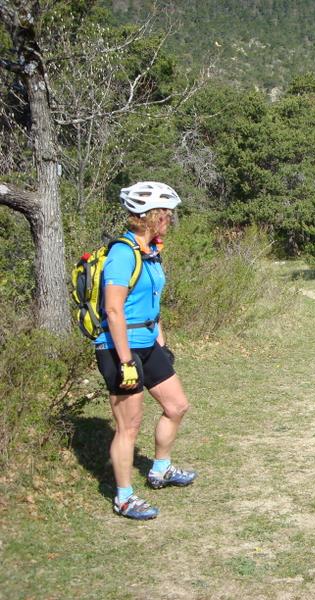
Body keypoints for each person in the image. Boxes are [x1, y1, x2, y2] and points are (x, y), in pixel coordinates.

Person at [95, 181, 196, 520]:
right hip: (118, 348)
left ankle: (161, 469)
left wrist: (161, 343)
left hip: (148, 343)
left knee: (177, 405)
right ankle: (124, 497)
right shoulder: (123, 253)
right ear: (149, 216)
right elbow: (113, 310)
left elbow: (153, 304)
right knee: (129, 425)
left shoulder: (150, 252)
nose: (169, 217)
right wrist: (125, 362)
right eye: (165, 212)